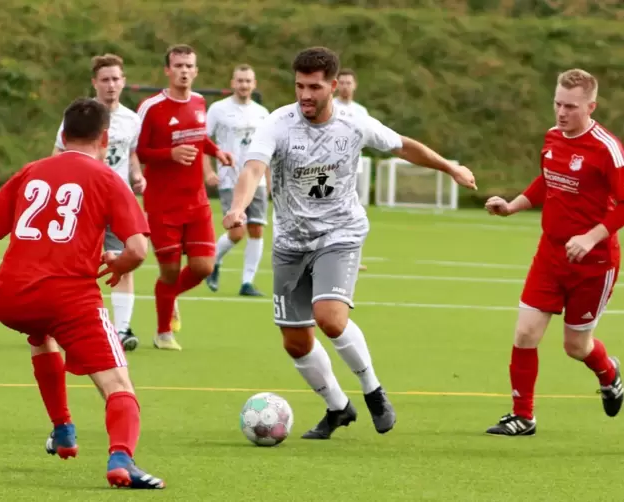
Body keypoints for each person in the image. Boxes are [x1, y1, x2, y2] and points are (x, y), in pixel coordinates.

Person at [224, 46, 476, 440]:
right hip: (291, 241)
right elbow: (254, 166)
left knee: (330, 318)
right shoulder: (279, 123)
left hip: (339, 233)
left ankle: (374, 390)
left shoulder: (353, 123)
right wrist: (238, 207)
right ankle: (339, 407)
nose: (305, 95)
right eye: (299, 86)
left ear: (333, 86)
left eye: (314, 87)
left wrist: (449, 166)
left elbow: (401, 145)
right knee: (295, 341)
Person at [0, 98, 165, 489]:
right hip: (68, 299)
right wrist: (121, 264)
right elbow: (139, 249)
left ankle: (62, 430)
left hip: (11, 298)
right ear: (105, 138)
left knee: (41, 332)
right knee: (118, 387)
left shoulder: (31, 171)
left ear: (62, 135)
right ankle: (122, 459)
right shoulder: (108, 178)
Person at [484, 68, 624, 436]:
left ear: (591, 106)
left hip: (593, 263)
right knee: (525, 333)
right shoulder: (552, 137)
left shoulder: (607, 149)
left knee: (576, 346)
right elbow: (548, 180)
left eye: (571, 107)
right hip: (550, 255)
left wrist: (592, 237)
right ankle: (523, 415)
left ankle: (609, 372)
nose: (562, 113)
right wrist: (513, 206)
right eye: (558, 104)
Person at [136, 44, 234, 351]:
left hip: (196, 202)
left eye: (189, 66)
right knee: (169, 271)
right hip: (162, 204)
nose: (184, 71)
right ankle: (163, 333)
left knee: (204, 267)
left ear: (196, 70)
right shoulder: (151, 107)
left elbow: (198, 135)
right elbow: (138, 151)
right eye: (178, 65)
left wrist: (216, 151)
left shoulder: (200, 102)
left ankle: (169, 296)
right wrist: (170, 154)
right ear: (167, 70)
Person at [53, 53, 145, 351]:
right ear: (94, 83)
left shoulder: (132, 119)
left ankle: (121, 330)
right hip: (83, 201)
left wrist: (137, 175)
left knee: (123, 260)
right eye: (105, 80)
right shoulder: (80, 118)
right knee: (72, 262)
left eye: (116, 79)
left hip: (117, 200)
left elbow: (131, 154)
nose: (111, 85)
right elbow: (58, 155)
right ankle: (60, 322)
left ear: (124, 81)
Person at [205, 64, 270, 296]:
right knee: (236, 231)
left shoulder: (262, 113)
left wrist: (270, 182)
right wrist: (208, 171)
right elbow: (204, 141)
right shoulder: (218, 109)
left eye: (248, 81)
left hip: (258, 180)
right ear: (232, 83)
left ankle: (247, 282)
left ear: (254, 84)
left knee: (256, 230)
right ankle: (212, 262)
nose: (244, 85)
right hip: (230, 179)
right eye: (239, 80)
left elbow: (268, 150)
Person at [334, 68, 372, 271]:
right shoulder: (330, 106)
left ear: (354, 85)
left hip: (353, 169)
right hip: (332, 170)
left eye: (349, 83)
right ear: (335, 84)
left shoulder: (360, 111)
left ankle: (353, 257)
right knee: (333, 213)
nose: (345, 86)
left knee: (355, 214)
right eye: (342, 82)